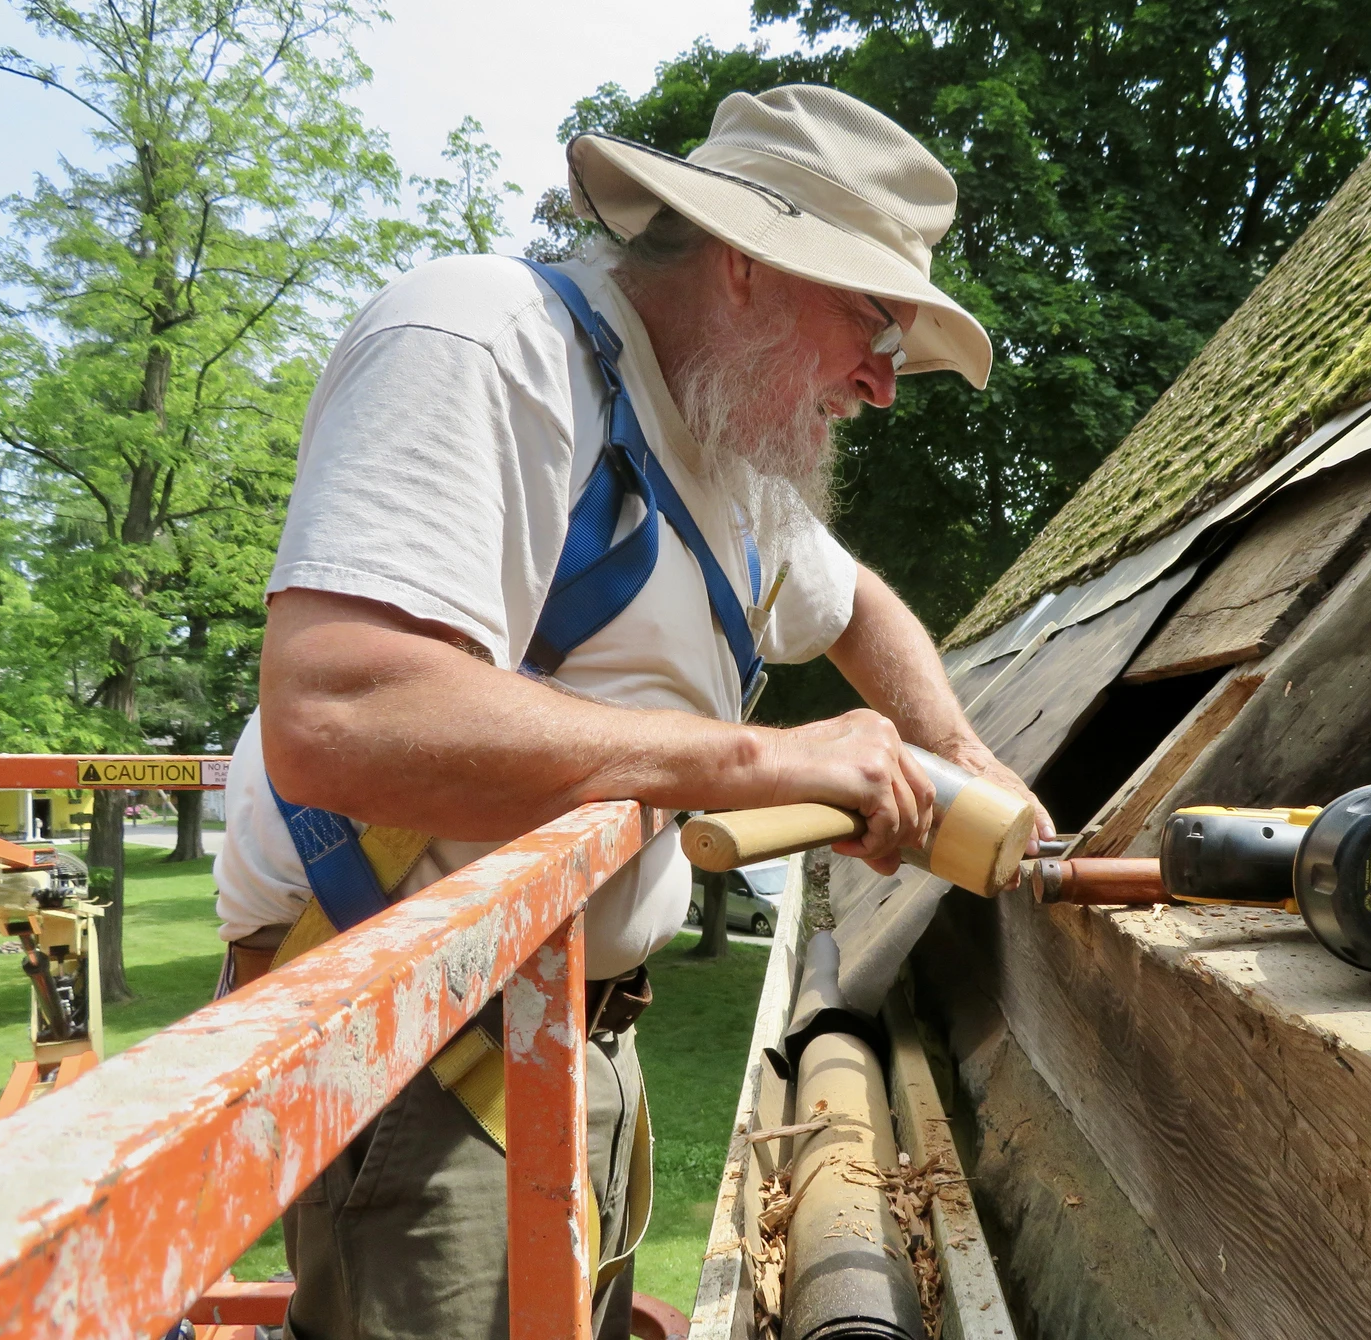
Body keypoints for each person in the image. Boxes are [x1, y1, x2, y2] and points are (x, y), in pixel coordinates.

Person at [213, 83, 1051, 1340]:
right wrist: (751, 759)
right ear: (749, 265)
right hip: (420, 1055)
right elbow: (340, 710)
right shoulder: (484, 342)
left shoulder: (723, 461)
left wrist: (968, 762)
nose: (883, 383)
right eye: (874, 320)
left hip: (571, 1033)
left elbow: (858, 603)